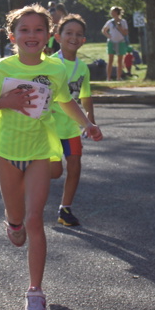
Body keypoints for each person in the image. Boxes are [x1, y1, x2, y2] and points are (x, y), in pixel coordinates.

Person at [0, 4, 102, 310]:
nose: (32, 35)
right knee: (19, 221)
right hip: (7, 152)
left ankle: (35, 293)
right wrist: (6, 101)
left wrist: (87, 123)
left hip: (40, 150)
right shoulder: (1, 68)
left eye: (39, 30)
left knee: (35, 220)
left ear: (48, 35)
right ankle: (12, 223)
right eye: (25, 30)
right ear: (12, 36)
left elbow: (66, 101)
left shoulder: (56, 69)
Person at [49, 14, 95, 227]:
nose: (73, 38)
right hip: (49, 127)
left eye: (78, 34)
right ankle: (27, 181)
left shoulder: (82, 68)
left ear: (83, 40)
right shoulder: (49, 64)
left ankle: (65, 209)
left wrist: (90, 120)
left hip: (71, 127)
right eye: (69, 33)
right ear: (58, 36)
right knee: (55, 171)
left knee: (75, 165)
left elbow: (85, 95)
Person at [101, 6, 128, 81]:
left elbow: (126, 33)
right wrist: (109, 36)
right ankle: (108, 78)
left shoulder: (123, 22)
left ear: (116, 12)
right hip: (111, 42)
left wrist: (120, 28)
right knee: (110, 60)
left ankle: (118, 77)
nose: (111, 13)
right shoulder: (110, 22)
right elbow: (104, 30)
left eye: (112, 12)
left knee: (120, 61)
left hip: (121, 42)